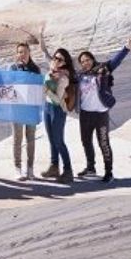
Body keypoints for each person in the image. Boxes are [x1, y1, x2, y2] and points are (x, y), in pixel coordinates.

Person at [76, 36, 131, 183]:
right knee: (86, 142)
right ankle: (91, 168)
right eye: (82, 61)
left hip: (101, 114)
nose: (85, 63)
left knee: (103, 142)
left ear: (92, 59)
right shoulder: (80, 76)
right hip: (85, 114)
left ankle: (109, 172)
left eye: (87, 59)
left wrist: (127, 47)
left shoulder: (102, 69)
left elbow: (116, 61)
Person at [39, 28, 76, 184]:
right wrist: (40, 35)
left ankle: (68, 171)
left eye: (60, 59)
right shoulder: (52, 68)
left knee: (58, 139)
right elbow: (44, 52)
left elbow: (58, 99)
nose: (56, 60)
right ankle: (54, 166)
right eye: (55, 58)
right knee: (51, 138)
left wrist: (47, 89)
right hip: (47, 108)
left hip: (57, 109)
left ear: (65, 63)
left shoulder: (63, 78)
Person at [9, 42, 41, 181]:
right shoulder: (13, 68)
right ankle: (17, 169)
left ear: (29, 52)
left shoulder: (35, 69)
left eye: (24, 51)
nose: (22, 54)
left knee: (31, 139)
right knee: (17, 139)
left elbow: (38, 88)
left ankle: (30, 169)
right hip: (17, 108)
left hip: (31, 108)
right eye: (19, 52)